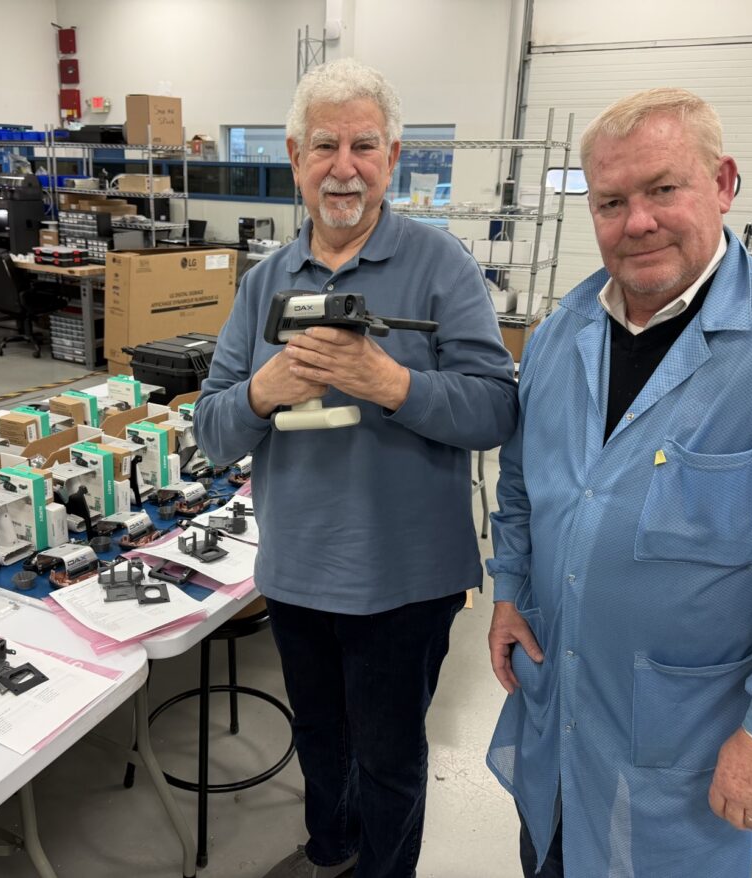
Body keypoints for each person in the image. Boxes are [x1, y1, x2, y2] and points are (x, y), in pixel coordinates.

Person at [485, 87, 752, 877]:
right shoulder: (563, 334)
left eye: (663, 188)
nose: (637, 221)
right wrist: (509, 589)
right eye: (611, 202)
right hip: (558, 725)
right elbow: (523, 486)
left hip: (684, 758)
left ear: (724, 183)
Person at [196, 58, 518, 878]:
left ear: (393, 157)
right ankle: (330, 853)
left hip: (406, 583)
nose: (345, 167)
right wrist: (264, 391)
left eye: (364, 146)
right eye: (325, 146)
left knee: (388, 759)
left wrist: (393, 383)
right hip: (297, 573)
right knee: (320, 741)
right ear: (296, 158)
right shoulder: (263, 283)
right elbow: (211, 431)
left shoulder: (441, 266)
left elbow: (495, 409)